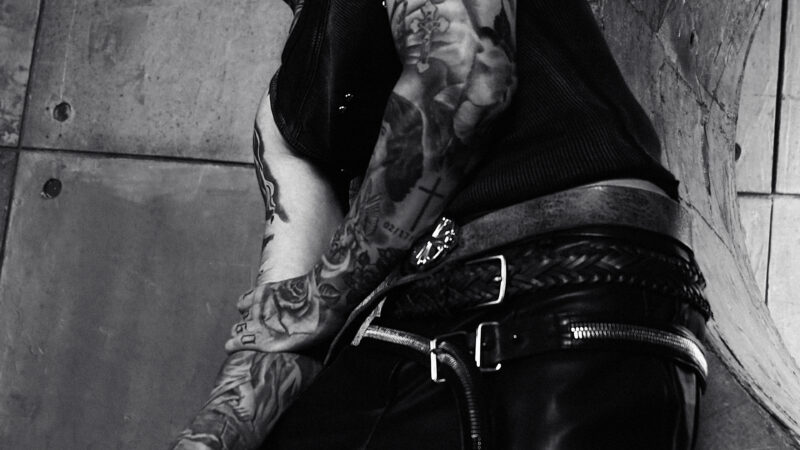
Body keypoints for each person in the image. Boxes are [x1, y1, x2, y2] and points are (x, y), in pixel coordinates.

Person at [173, 0, 710, 448]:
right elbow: (282, 328)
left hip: (557, 296)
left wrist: (323, 292)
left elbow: (467, 70)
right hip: (425, 330)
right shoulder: (284, 114)